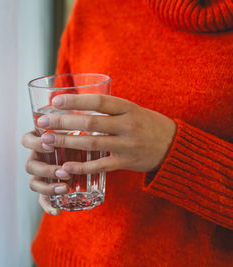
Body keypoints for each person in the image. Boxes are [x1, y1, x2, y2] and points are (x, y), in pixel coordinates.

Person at [21, 0, 233, 266]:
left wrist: (170, 149)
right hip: (63, 255)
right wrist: (50, 156)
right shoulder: (94, 6)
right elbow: (65, 111)